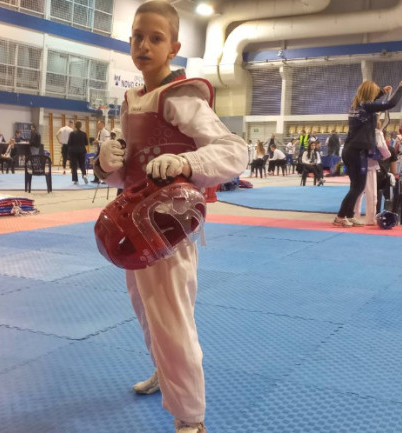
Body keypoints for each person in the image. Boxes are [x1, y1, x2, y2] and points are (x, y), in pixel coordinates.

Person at [93, 2, 247, 431]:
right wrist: (106, 163)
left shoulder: (180, 96)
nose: (144, 45)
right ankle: (165, 374)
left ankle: (190, 420)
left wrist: (186, 163)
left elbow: (235, 151)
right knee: (147, 312)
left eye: (156, 38)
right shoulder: (133, 98)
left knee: (171, 320)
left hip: (169, 230)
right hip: (135, 223)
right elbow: (128, 170)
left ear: (174, 48)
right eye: (138, 36)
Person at [334, 79, 402, 227]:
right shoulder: (367, 106)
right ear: (370, 94)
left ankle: (349, 215)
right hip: (357, 151)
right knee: (358, 187)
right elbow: (391, 104)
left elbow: (371, 100)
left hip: (349, 150)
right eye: (375, 92)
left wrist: (382, 92)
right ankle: (340, 216)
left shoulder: (356, 105)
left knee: (355, 186)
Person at [353, 117, 391, 225]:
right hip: (369, 165)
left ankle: (353, 216)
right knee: (371, 194)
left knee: (356, 193)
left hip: (357, 164)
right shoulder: (377, 132)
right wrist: (386, 155)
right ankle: (370, 219)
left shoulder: (357, 130)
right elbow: (381, 146)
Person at [67, 120, 89, 185]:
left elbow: (69, 143)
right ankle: (84, 175)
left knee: (74, 166)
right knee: (82, 164)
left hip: (73, 152)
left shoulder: (72, 134)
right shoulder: (84, 134)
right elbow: (86, 143)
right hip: (82, 151)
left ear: (75, 126)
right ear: (81, 126)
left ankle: (75, 180)